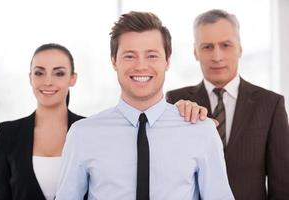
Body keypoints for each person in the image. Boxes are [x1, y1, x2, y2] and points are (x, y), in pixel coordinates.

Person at [56, 11, 234, 200]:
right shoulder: (82, 135)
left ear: (167, 61)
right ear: (114, 61)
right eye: (130, 56)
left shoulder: (201, 130)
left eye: (151, 56)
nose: (141, 66)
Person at [166, 9, 289, 200]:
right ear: (195, 52)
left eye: (226, 45)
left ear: (240, 48)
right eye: (207, 47)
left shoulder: (270, 104)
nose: (217, 56)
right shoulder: (176, 102)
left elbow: (282, 185)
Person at [0, 43, 85, 200]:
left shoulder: (90, 131)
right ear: (30, 78)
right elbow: (0, 195)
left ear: (72, 79)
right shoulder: (7, 134)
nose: (48, 81)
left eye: (59, 73)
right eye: (39, 73)